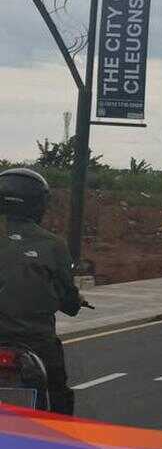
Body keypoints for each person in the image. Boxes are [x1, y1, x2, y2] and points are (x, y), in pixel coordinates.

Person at [0, 168, 84, 415]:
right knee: (58, 395)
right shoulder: (53, 245)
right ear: (38, 204)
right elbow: (69, 299)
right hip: (36, 341)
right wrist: (73, 302)